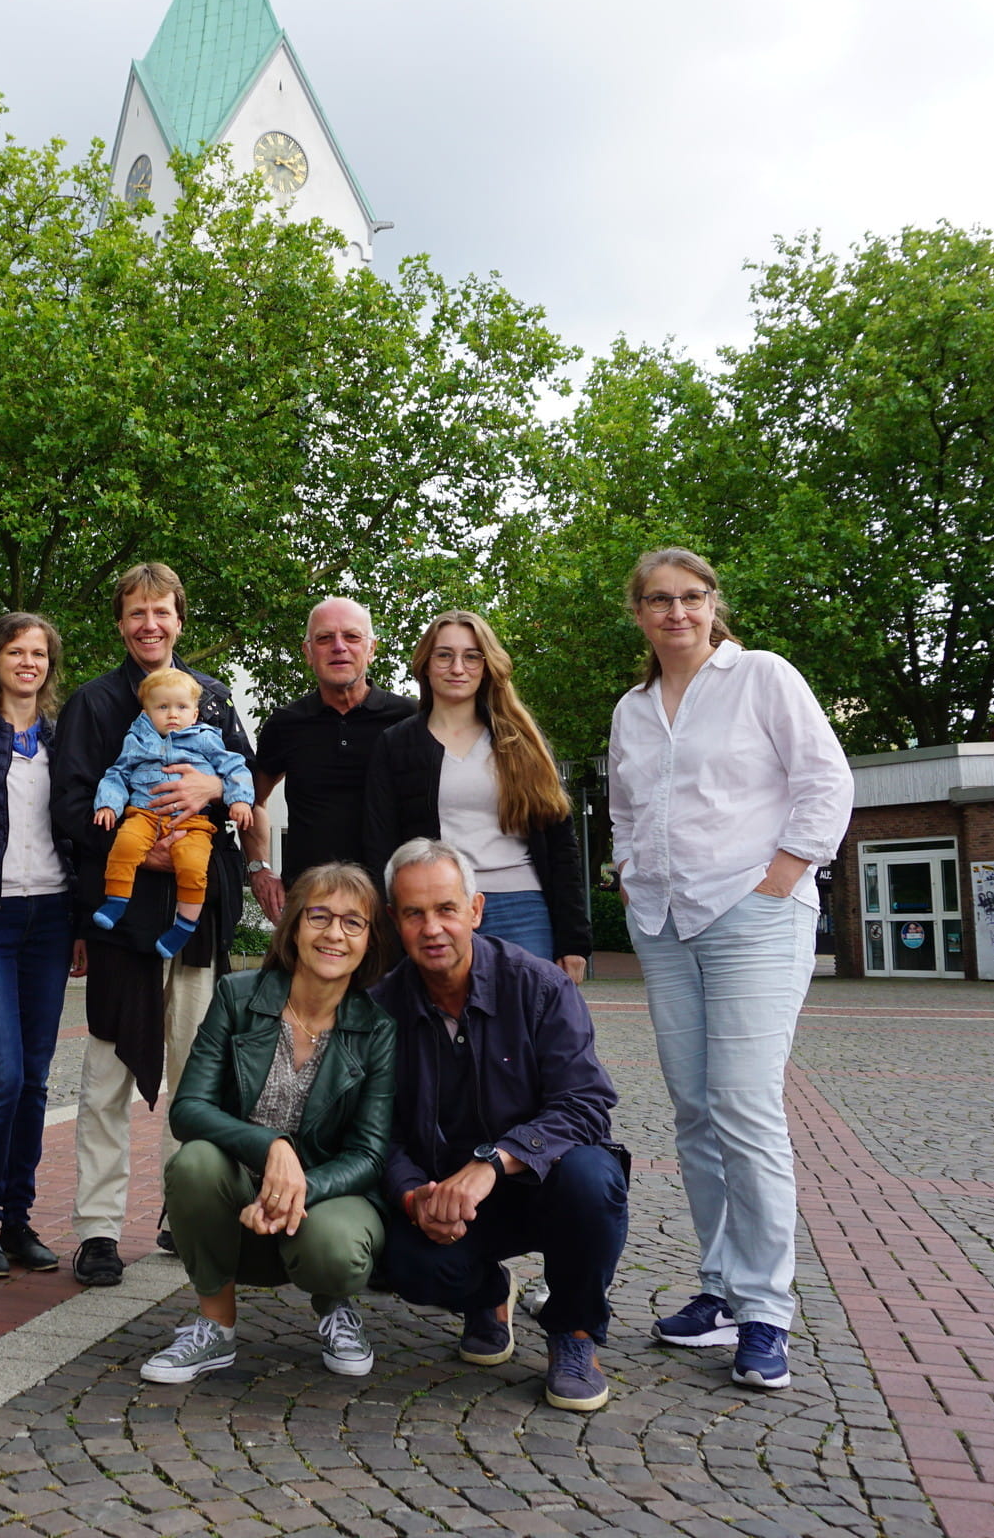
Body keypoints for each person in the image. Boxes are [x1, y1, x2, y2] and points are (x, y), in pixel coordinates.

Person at [607, 547, 852, 1391]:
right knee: (695, 1110)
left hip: (754, 911)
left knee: (746, 1106)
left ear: (714, 604)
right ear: (638, 613)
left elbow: (826, 777)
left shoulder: (762, 677)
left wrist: (787, 869)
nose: (677, 613)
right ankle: (717, 1292)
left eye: (692, 597)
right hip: (665, 922)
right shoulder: (633, 708)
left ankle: (765, 1312)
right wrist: (632, 880)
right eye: (660, 600)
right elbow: (628, 810)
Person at [50, 562, 257, 1288]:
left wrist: (212, 788)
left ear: (180, 618)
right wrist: (146, 854)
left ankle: (188, 1211)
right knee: (107, 1072)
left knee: (196, 1075)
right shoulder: (94, 703)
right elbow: (72, 808)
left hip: (199, 918)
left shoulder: (217, 699)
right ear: (120, 622)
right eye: (136, 613)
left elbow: (245, 791)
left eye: (162, 612)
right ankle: (99, 1229)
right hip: (124, 918)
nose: (150, 625)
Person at [373, 838, 630, 1413]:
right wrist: (413, 1195)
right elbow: (377, 1132)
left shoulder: (539, 986)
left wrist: (493, 1163)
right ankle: (489, 1295)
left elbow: (586, 1104)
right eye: (414, 913)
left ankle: (576, 1334)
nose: (432, 928)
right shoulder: (380, 1009)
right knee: (400, 1259)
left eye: (445, 909)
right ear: (394, 920)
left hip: (546, 1185)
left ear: (476, 910)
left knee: (595, 1178)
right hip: (452, 1204)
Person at [140, 862, 396, 1383]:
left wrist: (298, 1188)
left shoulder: (376, 1029)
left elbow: (370, 1155)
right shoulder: (238, 996)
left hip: (321, 1202)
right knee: (194, 1162)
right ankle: (216, 1327)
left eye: (354, 922)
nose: (334, 934)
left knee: (337, 1250)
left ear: (370, 940)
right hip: (236, 1200)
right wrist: (272, 1146)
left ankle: (336, 1306)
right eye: (319, 916)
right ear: (294, 926)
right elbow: (187, 1108)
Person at [0, 612, 84, 1279]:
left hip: (52, 921)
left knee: (34, 1079)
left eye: (38, 653)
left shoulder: (69, 741)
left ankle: (19, 1221)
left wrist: (85, 925)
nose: (27, 662)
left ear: (49, 665)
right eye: (15, 651)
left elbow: (87, 833)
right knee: (0, 1075)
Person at [364, 610, 592, 984]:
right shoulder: (397, 744)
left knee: (524, 1029)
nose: (458, 667)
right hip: (435, 908)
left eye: (472, 656)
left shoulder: (522, 742)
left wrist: (574, 940)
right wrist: (390, 929)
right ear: (425, 664)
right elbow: (378, 843)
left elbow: (561, 844)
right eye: (444, 655)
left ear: (487, 666)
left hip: (521, 906)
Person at [245, 598, 416, 922]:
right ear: (308, 652)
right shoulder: (285, 724)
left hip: (393, 907)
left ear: (371, 649)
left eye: (351, 637)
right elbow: (252, 800)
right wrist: (259, 869)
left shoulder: (410, 719)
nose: (338, 647)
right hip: (309, 905)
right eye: (324, 638)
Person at [92, 666, 257, 959]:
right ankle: (116, 900)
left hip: (192, 822)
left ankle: (184, 925)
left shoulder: (206, 738)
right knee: (125, 844)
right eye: (162, 707)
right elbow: (117, 773)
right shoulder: (138, 740)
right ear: (146, 712)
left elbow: (236, 767)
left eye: (181, 707)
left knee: (194, 867)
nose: (172, 714)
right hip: (144, 814)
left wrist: (239, 800)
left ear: (195, 714)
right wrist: (108, 804)